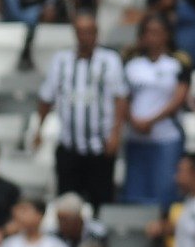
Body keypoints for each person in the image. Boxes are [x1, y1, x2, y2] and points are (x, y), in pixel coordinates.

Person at [34, 12, 128, 210]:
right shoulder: (61, 61)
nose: (85, 37)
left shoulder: (110, 60)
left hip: (100, 146)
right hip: (69, 144)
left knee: (100, 201)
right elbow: (46, 97)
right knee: (67, 202)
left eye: (90, 32)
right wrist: (38, 129)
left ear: (96, 33)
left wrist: (115, 134)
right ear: (75, 34)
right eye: (81, 32)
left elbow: (120, 98)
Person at [122, 14, 189, 206]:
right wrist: (133, 121)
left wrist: (151, 121)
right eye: (149, 32)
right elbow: (122, 96)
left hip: (165, 137)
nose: (153, 37)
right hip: (136, 137)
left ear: (167, 35)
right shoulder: (131, 62)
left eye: (158, 32)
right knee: (135, 194)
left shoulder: (178, 61)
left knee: (164, 193)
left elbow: (179, 97)